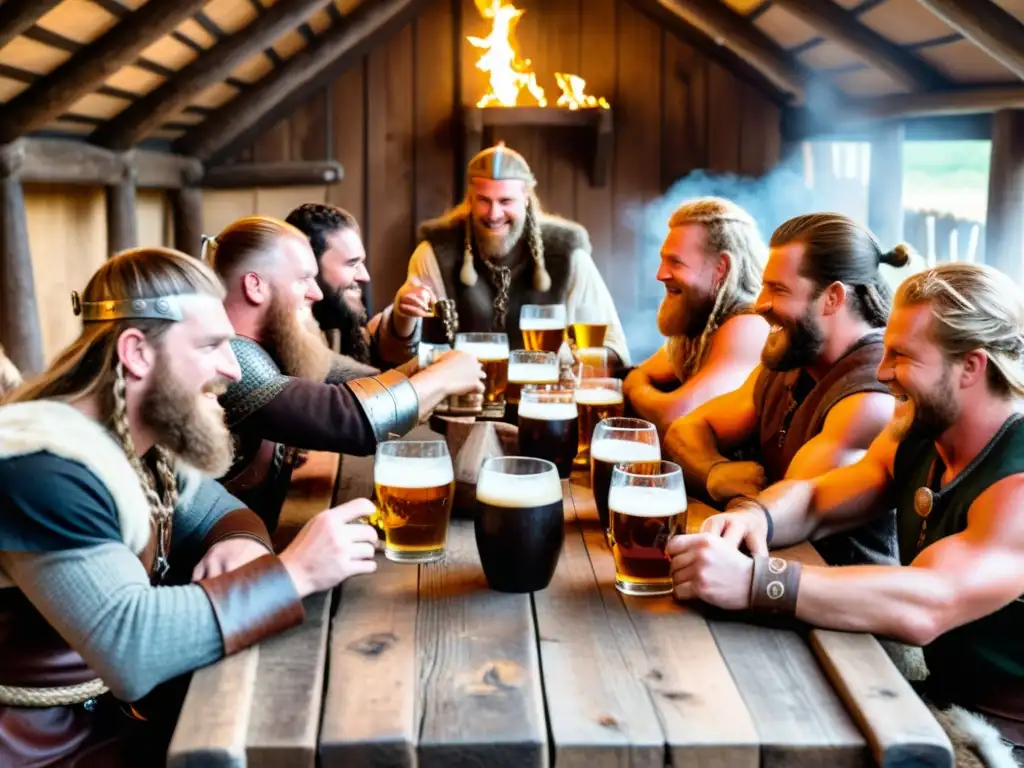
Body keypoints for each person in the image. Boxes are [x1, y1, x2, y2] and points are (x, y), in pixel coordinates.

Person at [0, 247, 381, 766]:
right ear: (136, 353)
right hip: (43, 750)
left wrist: (241, 542)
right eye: (210, 345)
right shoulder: (43, 467)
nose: (230, 367)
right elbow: (131, 647)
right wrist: (295, 574)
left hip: (109, 722)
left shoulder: (137, 439)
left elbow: (220, 511)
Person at [667, 263, 1024, 765]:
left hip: (1002, 742)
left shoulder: (1019, 479)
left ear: (971, 366)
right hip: (936, 702)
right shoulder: (919, 430)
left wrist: (756, 581)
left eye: (901, 356)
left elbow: (929, 604)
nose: (882, 371)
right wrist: (752, 518)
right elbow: (816, 499)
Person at [205, 215, 484, 531]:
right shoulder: (226, 354)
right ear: (255, 286)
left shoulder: (273, 341)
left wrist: (424, 368)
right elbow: (347, 418)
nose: (316, 293)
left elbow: (361, 384)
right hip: (223, 563)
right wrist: (443, 378)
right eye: (303, 279)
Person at [665, 212, 910, 566]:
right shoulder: (791, 360)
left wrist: (733, 495)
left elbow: (792, 510)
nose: (759, 303)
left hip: (832, 598)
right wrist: (716, 473)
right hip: (762, 568)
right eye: (764, 286)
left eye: (778, 289)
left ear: (833, 298)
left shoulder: (870, 398)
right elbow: (685, 430)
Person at [390, 142, 631, 368]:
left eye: (506, 201)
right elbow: (405, 354)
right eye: (484, 200)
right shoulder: (435, 253)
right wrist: (402, 315)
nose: (494, 214)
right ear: (470, 199)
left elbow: (614, 349)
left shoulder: (567, 254)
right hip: (464, 401)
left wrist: (564, 358)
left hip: (545, 400)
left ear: (527, 198)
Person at [622, 197, 769, 435]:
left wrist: (635, 388)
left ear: (721, 267)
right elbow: (644, 372)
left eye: (675, 263)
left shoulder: (749, 326)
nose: (660, 274)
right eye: (663, 260)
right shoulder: (704, 319)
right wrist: (636, 382)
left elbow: (676, 416)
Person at [284, 202, 428, 374]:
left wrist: (402, 319)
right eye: (352, 263)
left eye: (362, 263)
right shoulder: (286, 345)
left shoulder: (341, 327)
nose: (364, 276)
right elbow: (351, 392)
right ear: (309, 265)